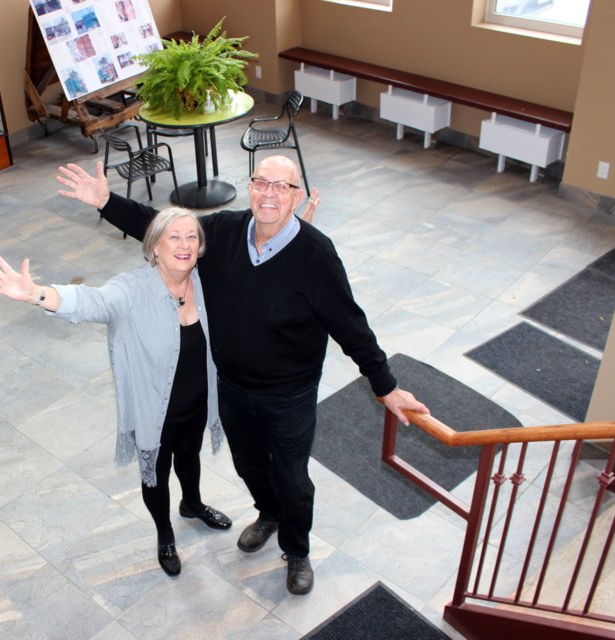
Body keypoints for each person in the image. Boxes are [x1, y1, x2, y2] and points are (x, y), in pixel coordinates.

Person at [56, 154, 430, 595]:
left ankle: (297, 548)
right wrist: (106, 202)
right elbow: (167, 230)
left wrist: (384, 385)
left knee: (293, 477)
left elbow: (351, 325)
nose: (269, 193)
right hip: (231, 387)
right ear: (250, 187)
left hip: (288, 395)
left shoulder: (315, 254)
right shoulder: (225, 231)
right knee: (248, 464)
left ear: (297, 197)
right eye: (261, 182)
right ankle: (268, 513)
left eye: (282, 187)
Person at [0, 207, 232, 578]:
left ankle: (192, 504)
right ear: (155, 248)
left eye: (191, 237)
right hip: (154, 411)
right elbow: (92, 301)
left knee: (189, 458)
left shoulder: (204, 281)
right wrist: (38, 294)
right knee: (156, 475)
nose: (184, 244)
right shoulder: (131, 290)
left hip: (197, 402)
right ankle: (164, 534)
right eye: (174, 237)